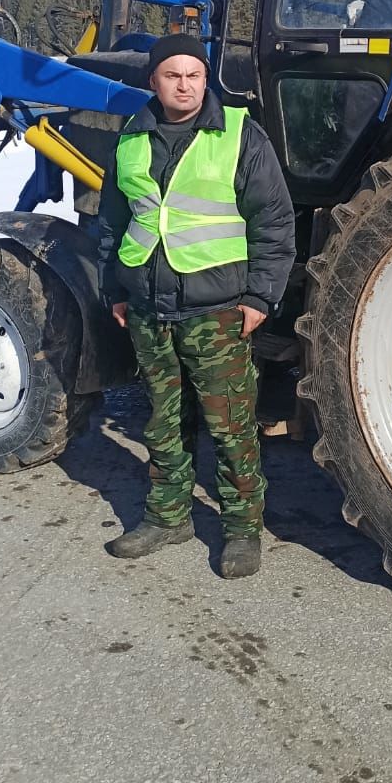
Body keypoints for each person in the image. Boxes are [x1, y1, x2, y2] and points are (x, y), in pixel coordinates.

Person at [96, 33, 295, 578]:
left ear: (206, 80)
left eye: (194, 75)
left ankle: (241, 530)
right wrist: (115, 287)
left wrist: (259, 296)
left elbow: (273, 222)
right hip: (146, 307)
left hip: (217, 310)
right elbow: (115, 220)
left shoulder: (237, 135)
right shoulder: (132, 139)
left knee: (230, 424)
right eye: (171, 75)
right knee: (163, 421)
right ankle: (167, 517)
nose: (184, 85)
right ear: (153, 81)